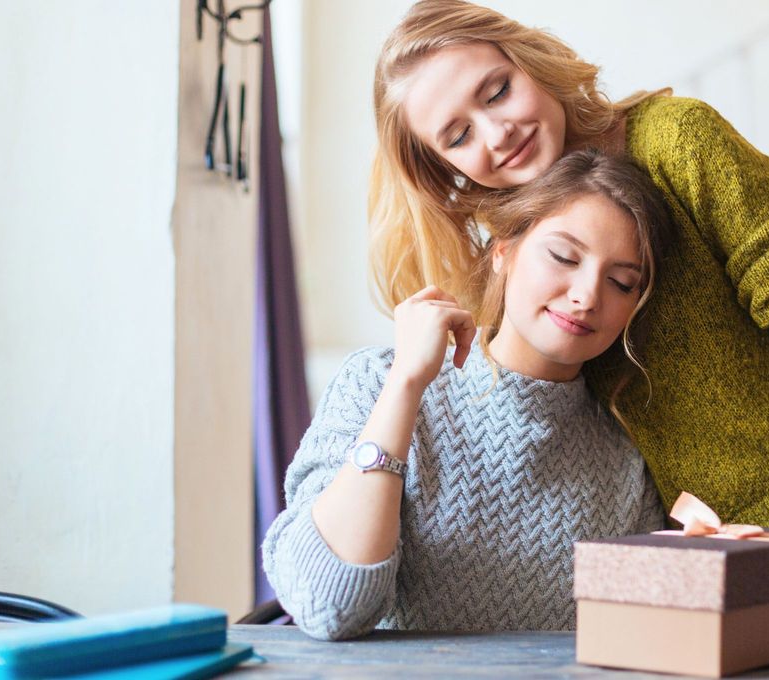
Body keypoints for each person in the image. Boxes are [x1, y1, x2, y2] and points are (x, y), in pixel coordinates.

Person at [365, 2, 769, 678]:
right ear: (446, 171)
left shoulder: (676, 139)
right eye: (459, 135)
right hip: (709, 550)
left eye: (497, 90)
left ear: (530, 61)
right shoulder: (519, 246)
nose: (498, 133)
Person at [262, 150, 671, 641]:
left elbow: (641, 640)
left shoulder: (626, 449)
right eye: (564, 256)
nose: (587, 295)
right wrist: (407, 384)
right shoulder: (378, 384)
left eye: (621, 282)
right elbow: (329, 606)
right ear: (503, 250)